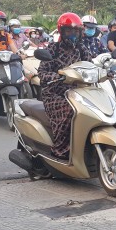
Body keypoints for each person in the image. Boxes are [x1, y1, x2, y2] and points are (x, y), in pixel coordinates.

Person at [39, 12, 92, 159]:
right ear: (62, 31)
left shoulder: (82, 50)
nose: (73, 34)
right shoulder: (53, 49)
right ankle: (60, 149)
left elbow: (91, 67)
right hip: (55, 93)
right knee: (71, 111)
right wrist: (58, 77)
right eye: (69, 31)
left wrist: (105, 73)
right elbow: (42, 73)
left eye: (76, 31)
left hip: (79, 92)